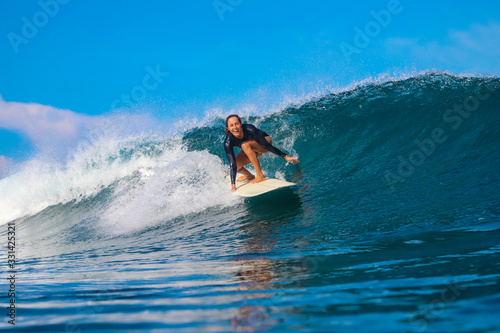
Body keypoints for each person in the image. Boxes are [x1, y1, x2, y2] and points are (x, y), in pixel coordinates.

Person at [224, 114, 299, 192]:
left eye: (236, 124)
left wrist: (285, 156)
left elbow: (266, 145)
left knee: (245, 145)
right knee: (234, 165)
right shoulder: (228, 142)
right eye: (231, 125)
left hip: (265, 142)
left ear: (241, 124)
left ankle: (260, 175)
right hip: (250, 149)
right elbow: (232, 163)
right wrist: (233, 185)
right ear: (228, 128)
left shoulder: (250, 129)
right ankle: (249, 176)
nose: (235, 127)